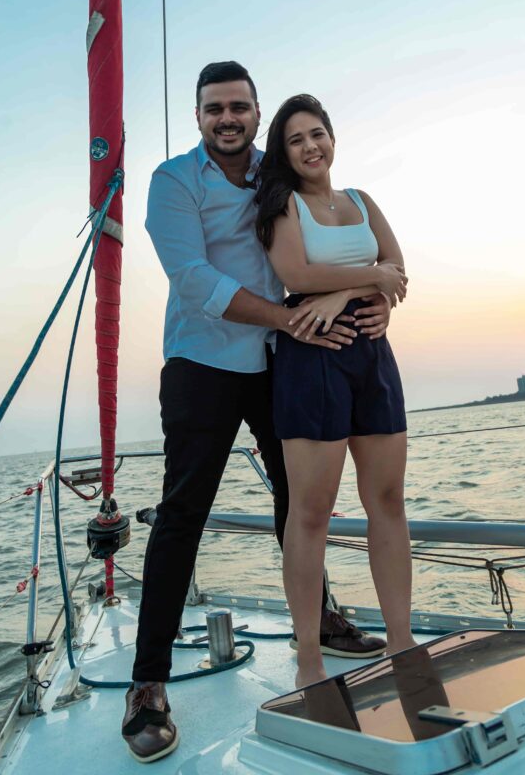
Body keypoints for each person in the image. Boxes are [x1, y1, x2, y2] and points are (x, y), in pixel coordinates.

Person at [121, 62, 404, 763]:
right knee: (183, 511)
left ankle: (322, 621)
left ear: (255, 113)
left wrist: (372, 298)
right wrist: (291, 315)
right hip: (205, 363)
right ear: (198, 116)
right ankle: (148, 682)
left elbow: (331, 251)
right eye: (214, 108)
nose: (228, 118)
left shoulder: (274, 178)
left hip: (281, 363)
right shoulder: (173, 181)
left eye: (239, 107)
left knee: (300, 502)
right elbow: (194, 279)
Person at [255, 94, 415, 689]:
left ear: (333, 138)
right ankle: (309, 659)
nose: (310, 147)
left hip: (371, 357)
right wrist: (367, 279)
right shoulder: (282, 204)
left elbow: (398, 268)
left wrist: (349, 295)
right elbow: (297, 276)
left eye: (317, 134)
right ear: (285, 151)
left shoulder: (362, 201)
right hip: (312, 356)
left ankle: (401, 642)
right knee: (312, 512)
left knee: (389, 501)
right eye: (296, 139)